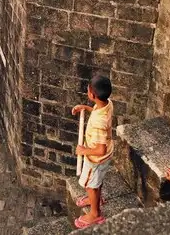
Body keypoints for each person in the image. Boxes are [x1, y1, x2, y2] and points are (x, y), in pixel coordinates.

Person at [71, 75, 114, 229]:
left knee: (90, 184)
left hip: (96, 159)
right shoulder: (108, 104)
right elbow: (97, 112)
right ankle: (96, 199)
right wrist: (86, 108)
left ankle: (95, 214)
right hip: (106, 155)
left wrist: (83, 150)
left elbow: (100, 149)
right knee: (97, 181)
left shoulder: (97, 122)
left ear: (92, 95)